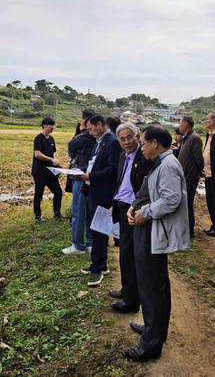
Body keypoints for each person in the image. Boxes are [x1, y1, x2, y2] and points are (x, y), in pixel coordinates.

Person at [125, 125, 189, 362]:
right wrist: (134, 208)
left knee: (153, 285)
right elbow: (146, 192)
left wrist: (146, 212)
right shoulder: (159, 162)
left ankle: (151, 345)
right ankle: (154, 330)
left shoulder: (169, 165)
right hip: (148, 228)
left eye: (142, 143)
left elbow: (171, 199)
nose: (140, 147)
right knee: (153, 283)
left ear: (155, 143)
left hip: (154, 230)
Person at [109, 122, 152, 313]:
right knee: (124, 253)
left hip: (133, 210)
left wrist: (138, 208)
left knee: (130, 254)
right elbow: (121, 182)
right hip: (120, 206)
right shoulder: (123, 156)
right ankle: (127, 290)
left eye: (129, 137)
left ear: (137, 136)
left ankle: (132, 300)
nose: (126, 142)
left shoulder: (144, 158)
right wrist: (114, 202)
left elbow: (147, 189)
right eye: (122, 139)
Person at [78, 114, 122, 286]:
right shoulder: (100, 141)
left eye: (91, 129)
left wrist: (92, 176)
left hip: (104, 193)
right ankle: (99, 263)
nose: (90, 133)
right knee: (97, 230)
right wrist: (81, 171)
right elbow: (95, 164)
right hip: (95, 190)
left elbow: (113, 169)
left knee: (98, 230)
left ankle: (98, 269)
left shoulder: (111, 142)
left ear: (99, 124)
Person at [63, 110, 96, 254]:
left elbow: (71, 146)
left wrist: (82, 131)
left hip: (81, 177)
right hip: (91, 177)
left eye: (81, 119)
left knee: (77, 212)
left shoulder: (86, 134)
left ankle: (78, 245)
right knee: (89, 212)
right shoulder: (98, 137)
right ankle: (90, 243)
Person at [31, 117, 64, 223]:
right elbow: (37, 154)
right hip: (40, 171)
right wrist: (51, 159)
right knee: (39, 194)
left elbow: (52, 153)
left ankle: (57, 212)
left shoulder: (51, 139)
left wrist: (55, 160)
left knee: (58, 191)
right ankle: (37, 216)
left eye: (53, 125)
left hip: (50, 171)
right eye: (51, 125)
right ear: (45, 125)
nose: (53, 127)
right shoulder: (38, 138)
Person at [176, 115, 203, 238]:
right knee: (183, 203)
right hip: (184, 175)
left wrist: (198, 171)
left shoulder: (194, 138)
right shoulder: (186, 138)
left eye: (180, 124)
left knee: (187, 203)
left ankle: (189, 230)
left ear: (186, 124)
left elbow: (198, 158)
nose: (179, 127)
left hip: (190, 176)